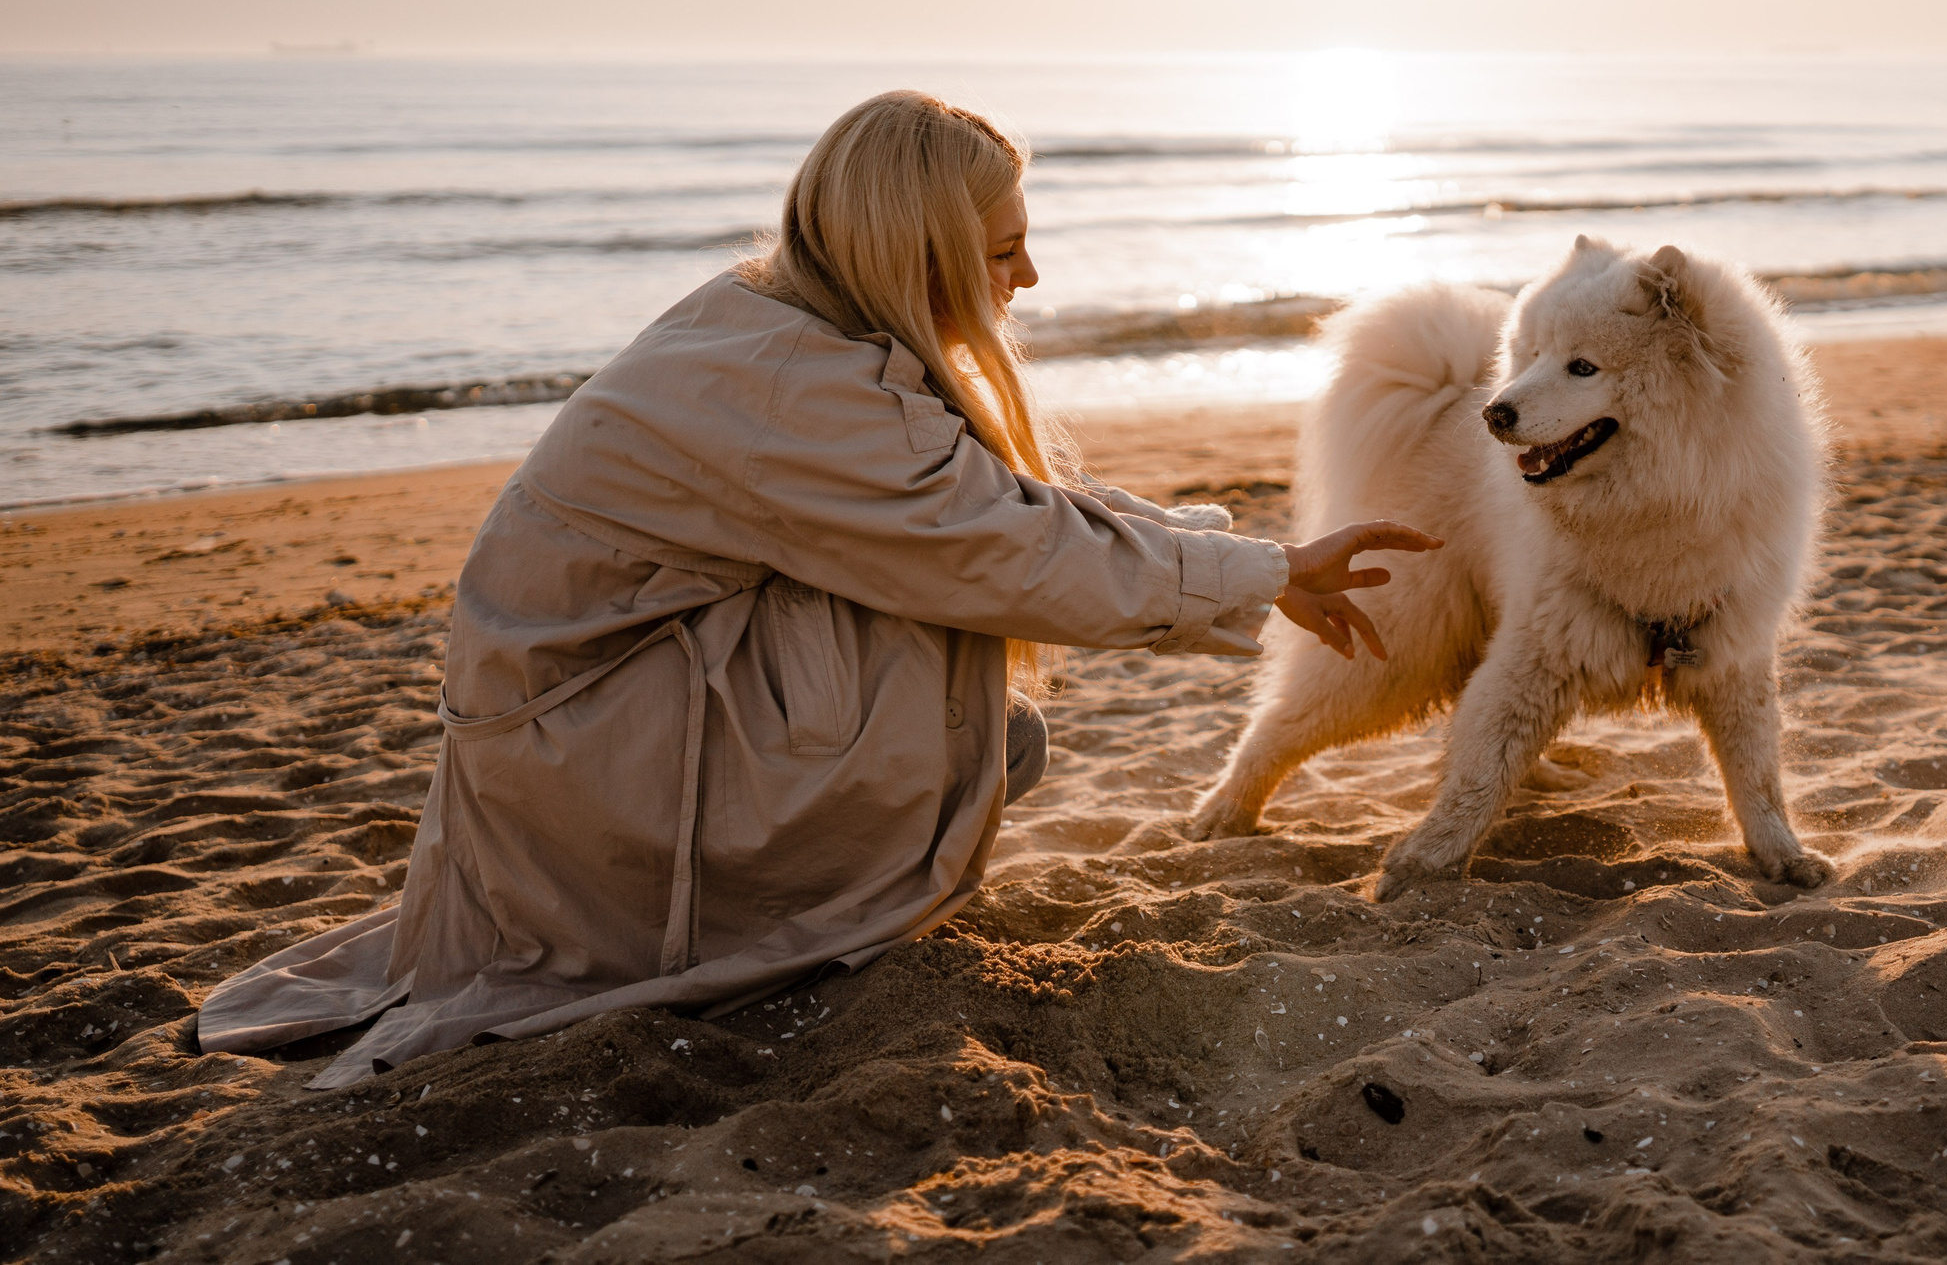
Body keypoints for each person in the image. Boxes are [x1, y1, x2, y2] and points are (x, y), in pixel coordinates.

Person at [197, 90, 1437, 1090]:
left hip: (576, 735)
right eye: (1003, 253)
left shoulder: (786, 324)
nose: (1032, 279)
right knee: (941, 633)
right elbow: (993, 547)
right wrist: (1262, 572)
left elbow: (981, 512)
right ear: (922, 252)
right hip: (588, 765)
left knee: (959, 660)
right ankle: (761, 918)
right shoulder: (796, 386)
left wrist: (1239, 563)